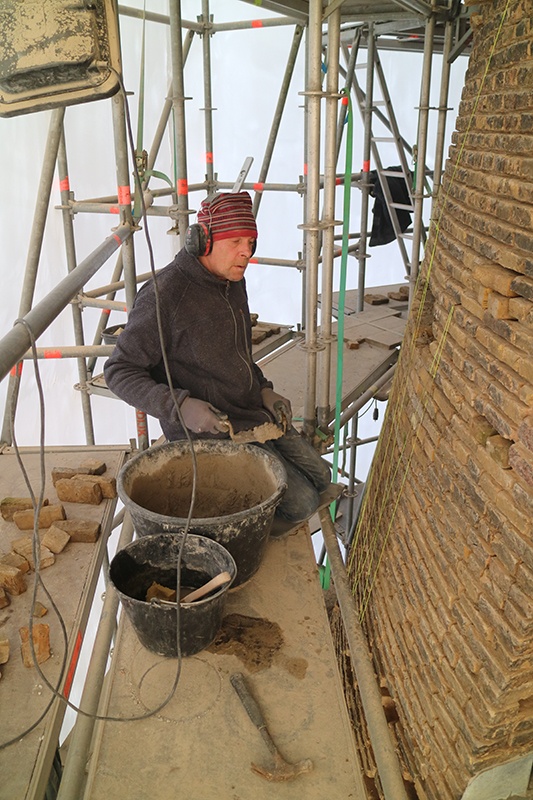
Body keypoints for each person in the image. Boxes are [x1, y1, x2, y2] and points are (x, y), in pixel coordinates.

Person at [104, 191, 331, 523]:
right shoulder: (164, 295)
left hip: (251, 410)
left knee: (322, 476)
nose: (247, 252)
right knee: (301, 504)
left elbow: (237, 351)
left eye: (251, 241)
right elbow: (119, 371)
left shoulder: (232, 280)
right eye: (236, 240)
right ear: (202, 241)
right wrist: (179, 406)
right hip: (213, 430)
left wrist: (263, 389)